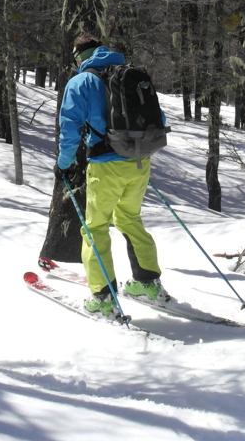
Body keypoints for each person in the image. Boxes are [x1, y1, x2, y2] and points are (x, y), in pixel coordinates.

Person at [56, 34, 166, 315]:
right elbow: (159, 118)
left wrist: (64, 163)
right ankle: (148, 284)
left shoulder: (81, 82)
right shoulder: (130, 74)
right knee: (129, 219)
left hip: (105, 165)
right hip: (139, 160)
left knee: (95, 228)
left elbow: (69, 128)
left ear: (79, 57)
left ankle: (103, 299)